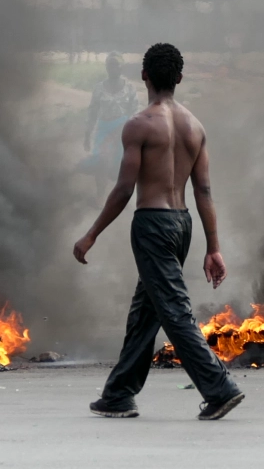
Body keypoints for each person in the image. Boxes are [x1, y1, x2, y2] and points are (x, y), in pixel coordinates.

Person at [72, 42, 245, 421]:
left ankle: (219, 389)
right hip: (182, 224)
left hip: (151, 224)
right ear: (180, 79)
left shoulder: (139, 125)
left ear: (144, 75)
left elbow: (123, 188)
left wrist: (92, 233)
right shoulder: (195, 126)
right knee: (146, 311)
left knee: (172, 310)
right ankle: (118, 394)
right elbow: (204, 191)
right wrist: (212, 247)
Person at [82, 53, 143, 182]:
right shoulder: (99, 88)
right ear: (106, 68)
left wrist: (128, 127)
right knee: (99, 160)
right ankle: (100, 196)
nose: (112, 68)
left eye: (116, 65)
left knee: (120, 163)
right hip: (103, 127)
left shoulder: (129, 87)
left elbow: (135, 110)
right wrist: (87, 134)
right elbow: (92, 111)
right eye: (110, 65)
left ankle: (119, 194)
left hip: (122, 128)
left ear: (121, 68)